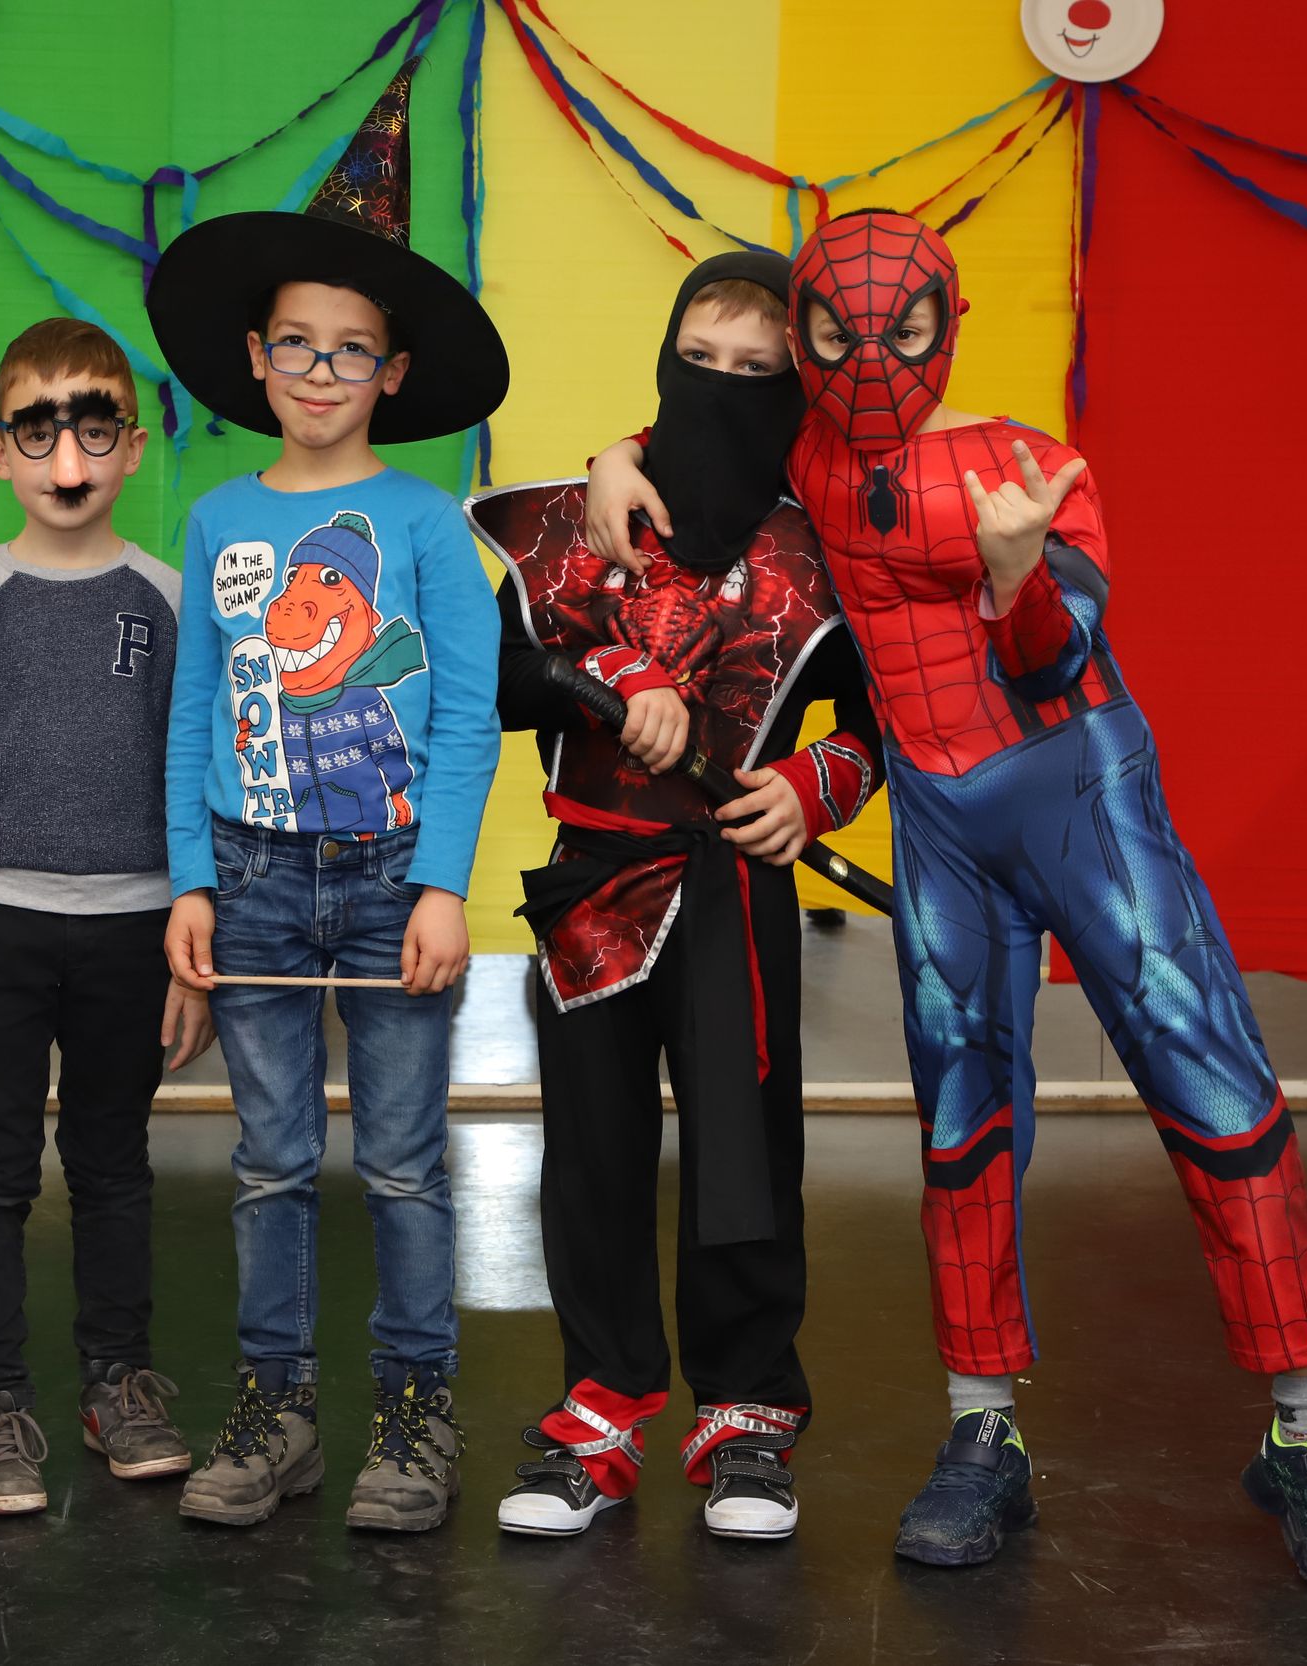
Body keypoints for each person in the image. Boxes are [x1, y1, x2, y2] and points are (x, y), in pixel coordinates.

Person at [585, 211, 1307, 1600]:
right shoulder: (805, 455)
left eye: (897, 332)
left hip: (1080, 791)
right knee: (961, 1120)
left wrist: (1016, 569)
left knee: (1213, 1086)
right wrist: (618, 458)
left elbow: (1057, 653)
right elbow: (701, 439)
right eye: (835, 336)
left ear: (944, 326)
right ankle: (982, 1431)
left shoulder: (1027, 465)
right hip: (941, 822)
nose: (868, 361)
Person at [144, 63, 507, 1534]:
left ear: (391, 374)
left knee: (405, 1165)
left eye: (349, 350)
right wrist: (190, 876)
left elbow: (469, 714)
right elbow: (192, 710)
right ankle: (276, 1405)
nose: (317, 369)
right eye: (294, 343)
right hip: (250, 873)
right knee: (270, 1162)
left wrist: (441, 883)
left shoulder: (424, 524)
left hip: (387, 874)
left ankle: (415, 1411)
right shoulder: (217, 518)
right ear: (255, 356)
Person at [471, 252, 882, 1542]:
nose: (723, 385)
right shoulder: (578, 518)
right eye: (700, 361)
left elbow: (880, 713)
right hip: (591, 887)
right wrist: (608, 675)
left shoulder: (822, 545)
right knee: (590, 1157)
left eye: (757, 370)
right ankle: (597, 1414)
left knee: (747, 1156)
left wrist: (811, 786)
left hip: (735, 888)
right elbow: (501, 676)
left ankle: (748, 1420)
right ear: (663, 356)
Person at [0, 317, 214, 1517]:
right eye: (38, 429)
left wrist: (197, 947)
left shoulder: (169, 602)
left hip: (136, 929)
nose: (67, 458)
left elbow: (195, 781)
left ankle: (118, 1381)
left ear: (133, 444)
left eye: (93, 427)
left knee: (113, 1163)